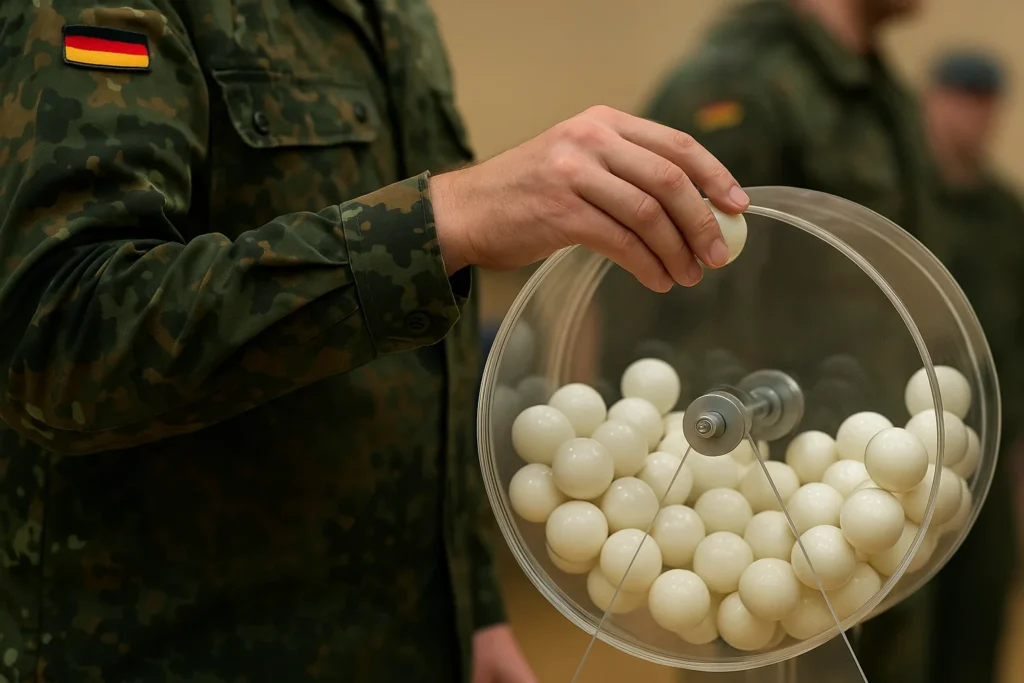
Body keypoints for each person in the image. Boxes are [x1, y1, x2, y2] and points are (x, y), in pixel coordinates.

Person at [0, 2, 749, 682]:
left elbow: (410, 370)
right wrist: (444, 216)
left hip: (395, 640)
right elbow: (56, 337)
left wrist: (471, 606)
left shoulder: (395, 16)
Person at [644, 1, 1016, 682]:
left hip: (882, 499)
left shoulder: (878, 90)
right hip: (774, 529)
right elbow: (662, 317)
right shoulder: (740, 82)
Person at [923, 49, 1024, 683]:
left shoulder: (1006, 214)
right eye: (960, 98)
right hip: (904, 456)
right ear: (931, 100)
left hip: (988, 457)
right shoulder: (903, 202)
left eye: (985, 102)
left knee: (976, 628)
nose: (974, 116)